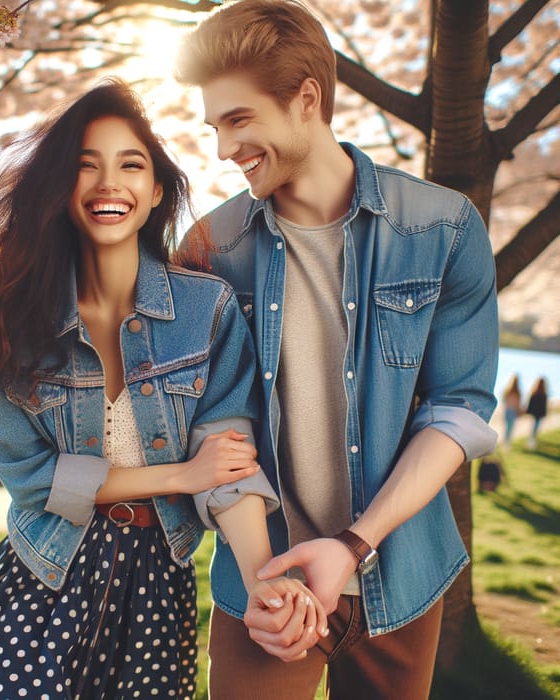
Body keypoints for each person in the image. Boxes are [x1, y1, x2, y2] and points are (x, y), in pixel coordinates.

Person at [0, 77, 322, 699]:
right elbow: (34, 478)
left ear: (155, 190)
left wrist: (262, 577)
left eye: (130, 164)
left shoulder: (205, 311)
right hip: (42, 574)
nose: (109, 183)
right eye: (86, 166)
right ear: (60, 189)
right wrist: (179, 476)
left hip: (157, 585)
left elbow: (228, 462)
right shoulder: (13, 319)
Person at [174, 1, 499, 698]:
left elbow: (458, 409)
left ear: (306, 101)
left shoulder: (444, 228)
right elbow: (214, 424)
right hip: (262, 588)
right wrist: (269, 581)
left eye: (238, 120)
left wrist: (355, 543)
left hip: (403, 575)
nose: (223, 149)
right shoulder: (209, 250)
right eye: (215, 126)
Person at [526, 377, 548, 449]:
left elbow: (531, 404)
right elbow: (543, 406)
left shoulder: (536, 393)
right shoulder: (543, 394)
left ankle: (531, 441)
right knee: (535, 427)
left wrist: (529, 411)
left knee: (534, 427)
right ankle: (531, 441)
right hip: (538, 414)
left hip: (535, 413)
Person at [502, 373, 522, 448]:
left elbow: (504, 400)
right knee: (510, 427)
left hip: (508, 411)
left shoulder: (508, 390)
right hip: (512, 411)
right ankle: (507, 442)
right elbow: (518, 404)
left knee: (507, 427)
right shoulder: (517, 392)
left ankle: (506, 442)